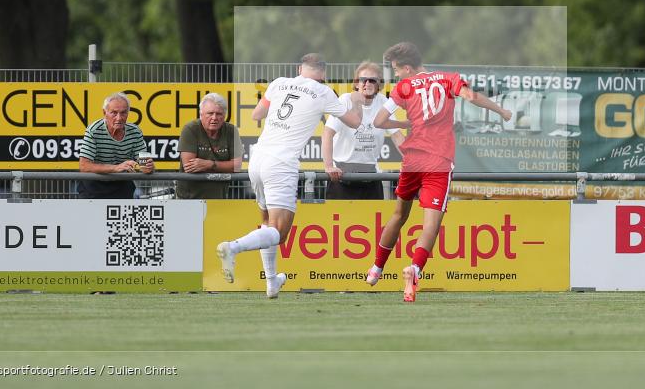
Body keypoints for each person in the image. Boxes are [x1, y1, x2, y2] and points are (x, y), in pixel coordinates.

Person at [366, 42, 512, 302]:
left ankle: (376, 269)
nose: (397, 75)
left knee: (399, 214)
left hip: (412, 161)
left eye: (397, 70)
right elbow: (471, 97)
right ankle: (415, 269)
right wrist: (501, 110)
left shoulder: (404, 87)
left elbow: (378, 121)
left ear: (408, 68)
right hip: (439, 162)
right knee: (430, 225)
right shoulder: (448, 79)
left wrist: (403, 121)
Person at [216, 54, 363, 297]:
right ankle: (232, 248)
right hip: (281, 163)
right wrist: (356, 100)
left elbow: (257, 115)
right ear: (323, 74)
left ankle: (272, 281)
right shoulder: (324, 91)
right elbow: (354, 122)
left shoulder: (278, 83)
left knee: (266, 222)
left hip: (258, 158)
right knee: (280, 233)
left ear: (299, 69)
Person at [322, 61, 406, 199]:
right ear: (356, 83)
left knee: (374, 220)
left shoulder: (383, 102)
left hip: (371, 177)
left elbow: (397, 135)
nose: (367, 83)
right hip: (342, 177)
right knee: (339, 220)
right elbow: (327, 133)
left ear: (379, 84)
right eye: (363, 80)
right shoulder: (345, 100)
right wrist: (329, 166)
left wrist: (411, 161)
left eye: (372, 80)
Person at [77, 92, 154, 199]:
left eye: (123, 113)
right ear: (104, 113)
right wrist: (116, 168)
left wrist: (147, 167)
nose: (119, 118)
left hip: (122, 185)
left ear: (128, 113)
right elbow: (84, 166)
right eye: (114, 113)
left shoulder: (135, 132)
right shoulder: (94, 130)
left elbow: (143, 164)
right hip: (93, 186)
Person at [176, 92, 243, 199]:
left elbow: (237, 166)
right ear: (201, 114)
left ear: (224, 116)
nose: (214, 117)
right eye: (210, 113)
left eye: (219, 114)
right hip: (189, 199)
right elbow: (189, 166)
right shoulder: (191, 129)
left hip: (220, 199)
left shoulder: (231, 130)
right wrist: (225, 167)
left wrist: (209, 164)